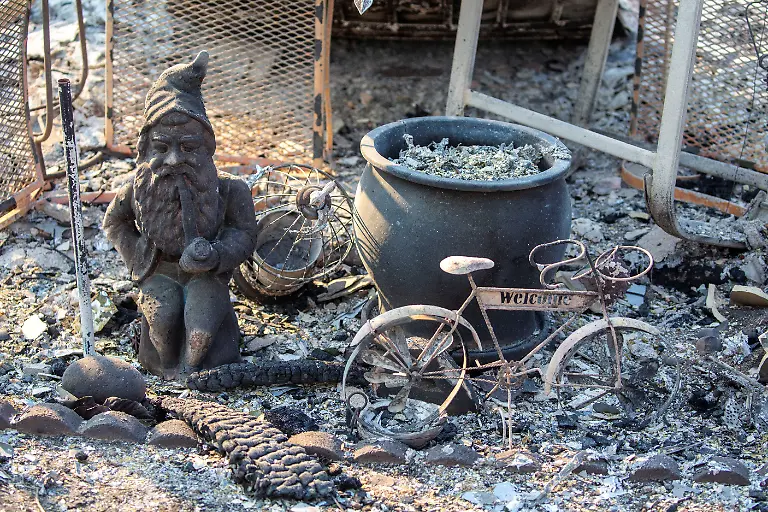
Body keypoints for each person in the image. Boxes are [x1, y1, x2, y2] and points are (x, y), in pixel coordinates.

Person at [103, 51, 257, 379]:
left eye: (187, 148)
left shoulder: (230, 189)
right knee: (162, 313)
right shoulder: (135, 189)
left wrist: (216, 254)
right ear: (145, 150)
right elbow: (114, 223)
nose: (173, 160)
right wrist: (140, 258)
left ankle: (196, 369)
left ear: (207, 148)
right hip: (160, 271)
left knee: (204, 314)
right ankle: (165, 366)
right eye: (161, 149)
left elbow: (244, 233)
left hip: (207, 275)